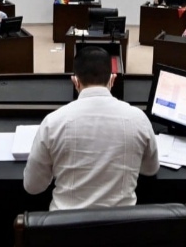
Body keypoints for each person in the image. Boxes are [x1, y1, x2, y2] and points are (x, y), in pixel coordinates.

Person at [23, 46, 159, 210]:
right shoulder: (138, 119)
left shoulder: (53, 122)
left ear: (75, 81)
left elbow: (33, 187)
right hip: (121, 231)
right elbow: (150, 169)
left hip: (65, 231)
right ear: (112, 79)